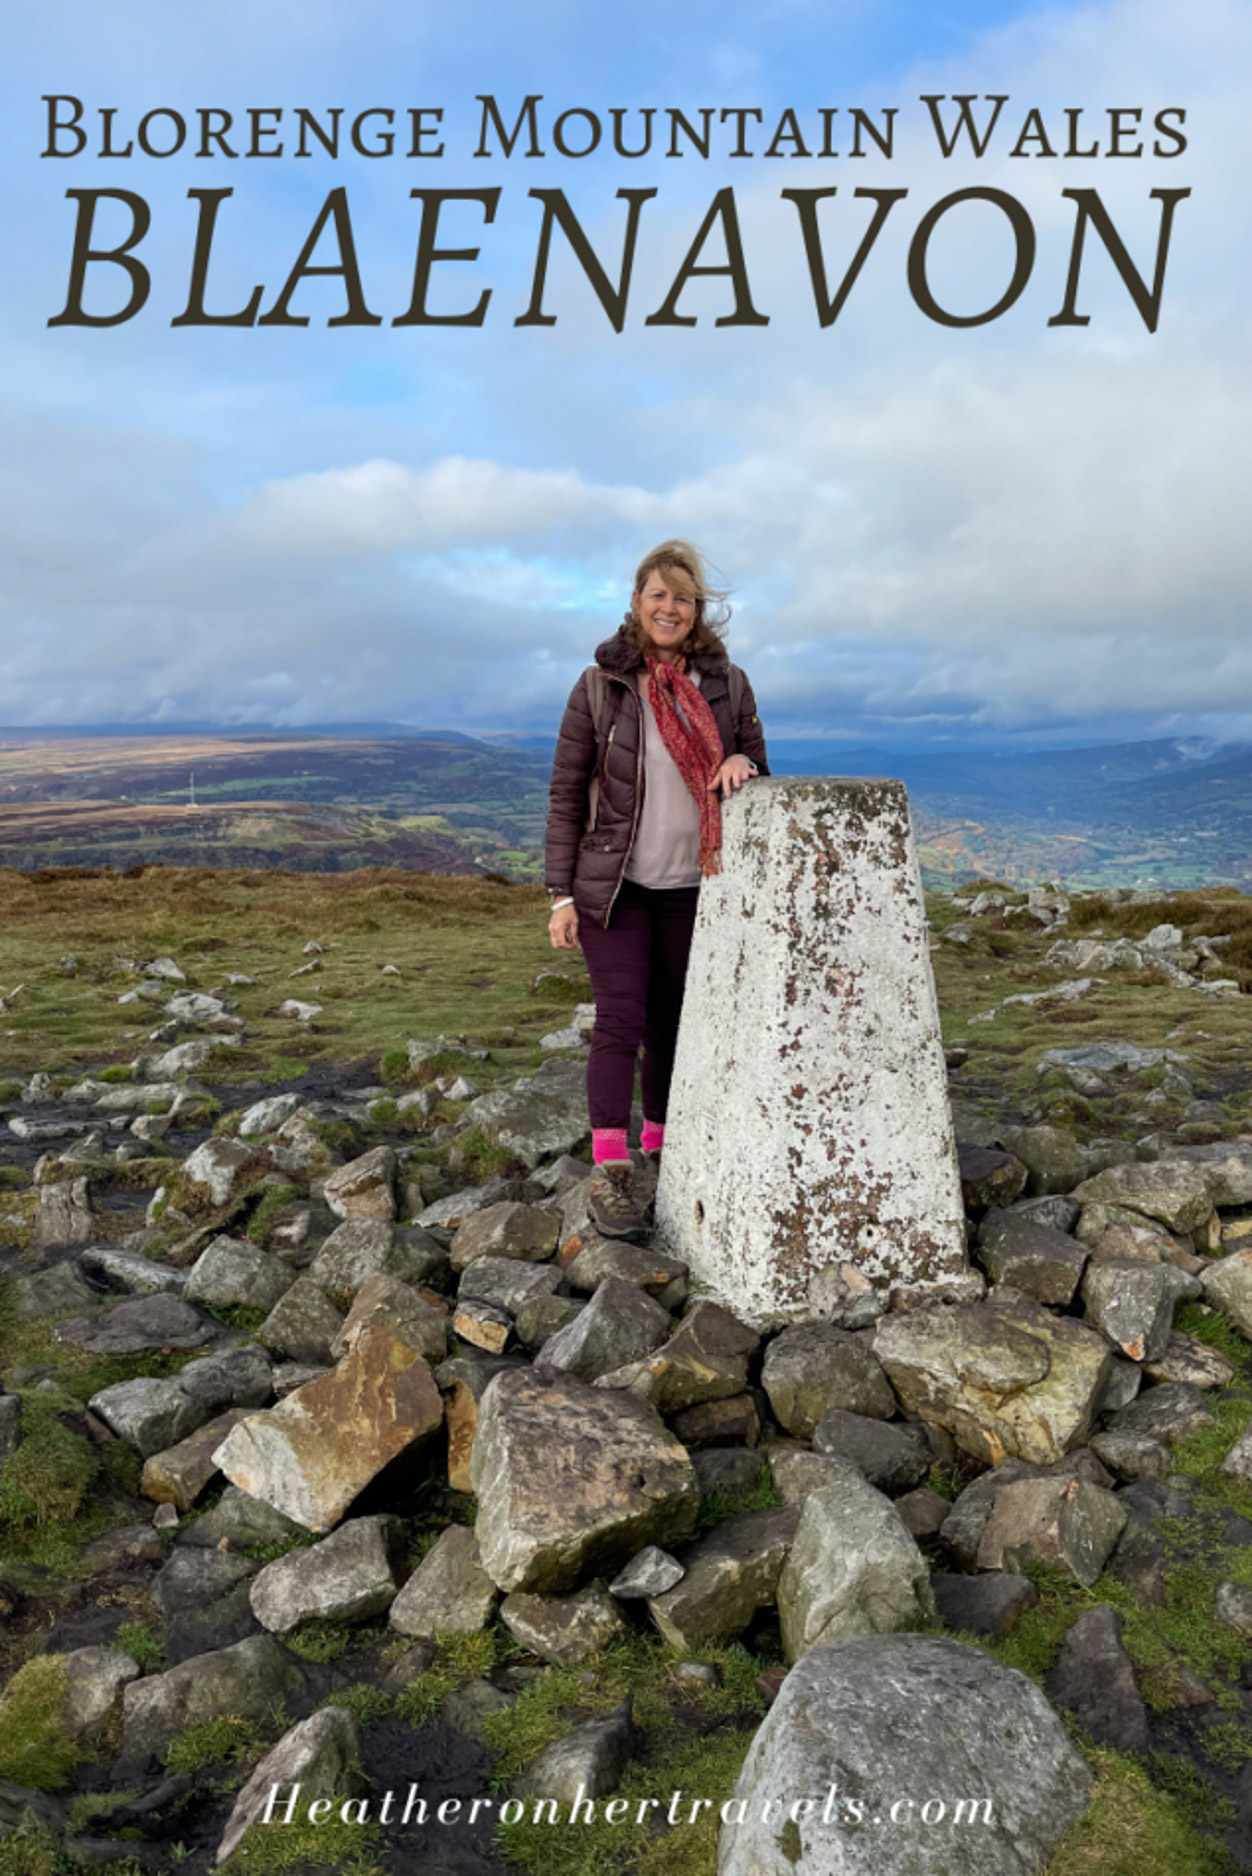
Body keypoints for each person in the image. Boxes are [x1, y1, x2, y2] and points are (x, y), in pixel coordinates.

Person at [545, 539, 769, 1241]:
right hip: (616, 886)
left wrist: (740, 758)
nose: (669, 608)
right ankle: (611, 1168)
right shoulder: (601, 685)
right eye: (658, 595)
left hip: (694, 885)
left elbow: (759, 770)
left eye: (682, 597)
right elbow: (566, 793)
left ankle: (662, 1146)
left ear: (698, 608)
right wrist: (559, 895)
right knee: (621, 1019)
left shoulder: (727, 684)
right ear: (637, 603)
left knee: (672, 1022)